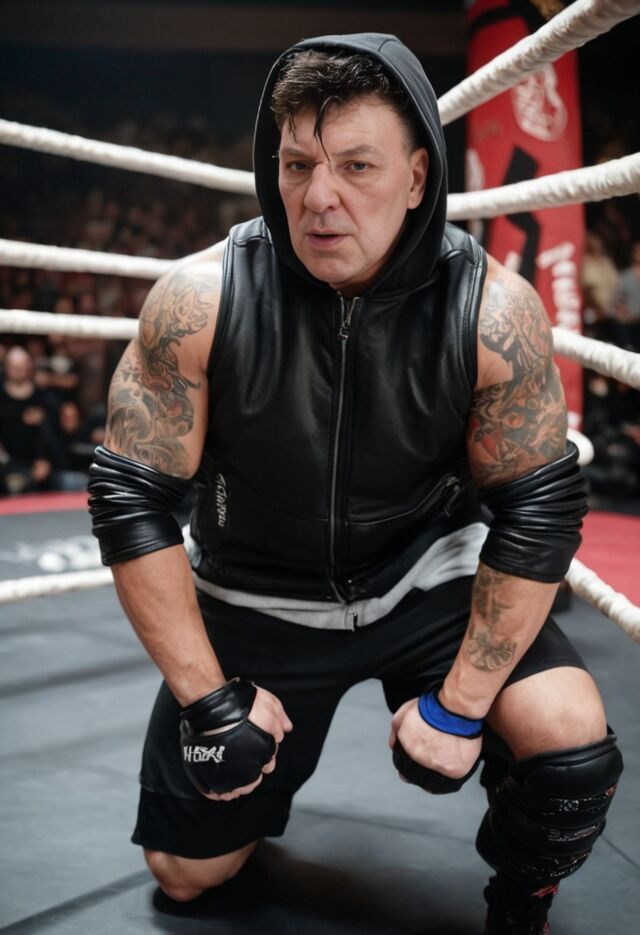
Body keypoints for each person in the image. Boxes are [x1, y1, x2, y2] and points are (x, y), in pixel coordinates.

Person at [88, 35, 623, 934]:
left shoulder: (489, 309)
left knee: (568, 740)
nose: (319, 197)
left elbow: (539, 508)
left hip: (427, 579)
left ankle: (522, 892)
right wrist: (209, 699)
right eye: (298, 164)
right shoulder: (202, 299)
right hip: (259, 593)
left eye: (357, 166)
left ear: (417, 178)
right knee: (184, 875)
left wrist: (462, 705)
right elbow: (131, 497)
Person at [0, 345, 56, 495]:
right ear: (6, 367)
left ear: (29, 366)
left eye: (22, 365)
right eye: (14, 366)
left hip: (39, 466)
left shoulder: (43, 397)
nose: (19, 370)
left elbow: (52, 434)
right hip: (6, 464)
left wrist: (44, 459)